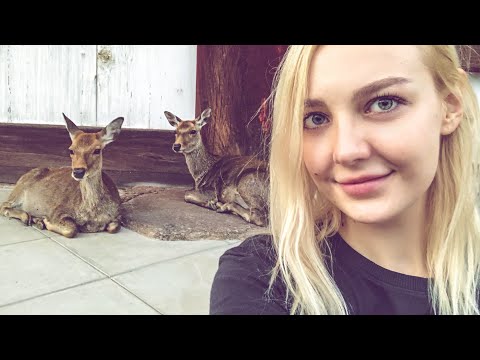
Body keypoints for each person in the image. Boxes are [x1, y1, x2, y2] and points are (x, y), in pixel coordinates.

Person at [209, 45, 480, 315]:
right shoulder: (261, 280)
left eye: (383, 103)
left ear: (451, 104)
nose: (346, 151)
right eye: (316, 119)